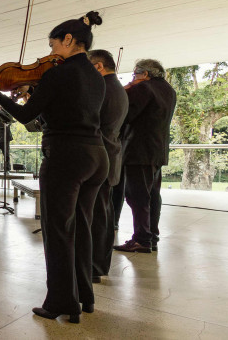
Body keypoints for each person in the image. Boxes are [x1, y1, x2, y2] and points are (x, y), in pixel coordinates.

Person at [0, 11, 107, 323]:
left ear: (68, 40)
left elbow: (26, 118)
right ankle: (84, 296)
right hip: (96, 155)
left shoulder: (58, 73)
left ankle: (62, 303)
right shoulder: (95, 75)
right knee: (80, 227)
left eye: (53, 44)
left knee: (58, 230)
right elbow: (68, 106)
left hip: (67, 156)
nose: (50, 52)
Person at [114, 59, 177, 254]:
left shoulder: (143, 88)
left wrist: (126, 90)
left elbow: (125, 116)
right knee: (152, 195)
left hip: (138, 150)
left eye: (135, 75)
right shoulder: (168, 90)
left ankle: (141, 239)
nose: (133, 79)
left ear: (145, 74)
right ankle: (152, 237)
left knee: (137, 196)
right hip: (157, 150)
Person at [87, 50, 129, 281]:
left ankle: (95, 265)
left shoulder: (105, 88)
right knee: (102, 214)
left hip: (102, 155)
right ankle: (97, 265)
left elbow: (92, 122)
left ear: (99, 67)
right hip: (109, 154)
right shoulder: (116, 87)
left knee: (98, 217)